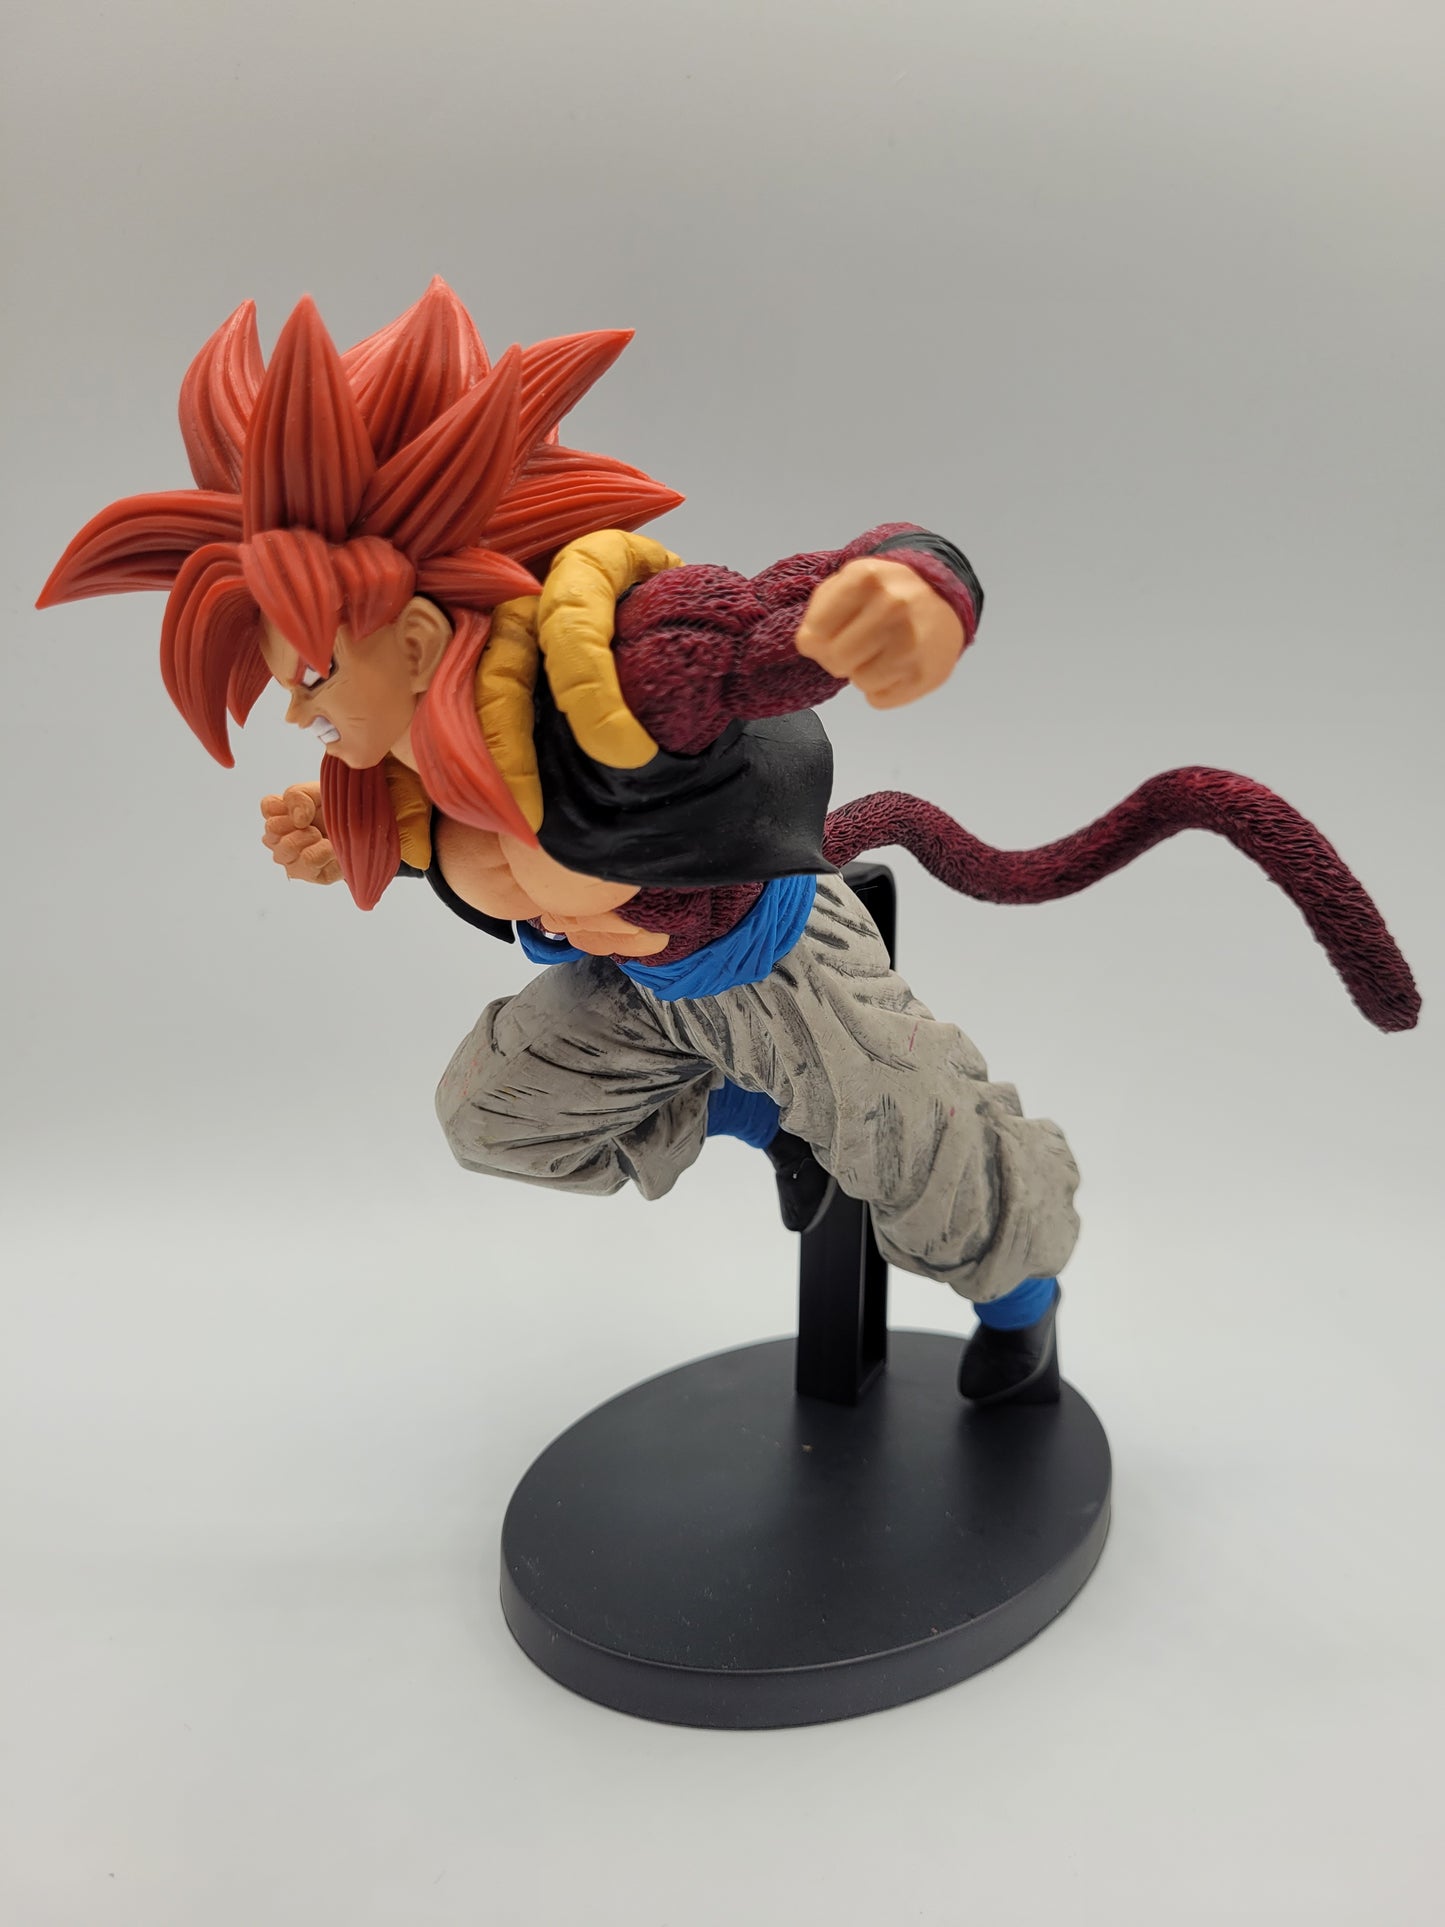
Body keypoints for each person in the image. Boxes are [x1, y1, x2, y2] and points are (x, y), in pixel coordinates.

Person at [39, 280, 1418, 1408]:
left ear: (406, 635)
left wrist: (913, 585)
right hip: (632, 992)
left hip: (773, 962)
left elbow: (776, 622)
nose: (297, 713)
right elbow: (471, 853)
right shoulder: (409, 754)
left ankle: (1025, 1311)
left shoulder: (618, 669)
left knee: (940, 1177)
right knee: (492, 1117)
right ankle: (769, 1122)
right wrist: (360, 845)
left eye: (306, 676)